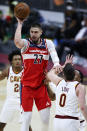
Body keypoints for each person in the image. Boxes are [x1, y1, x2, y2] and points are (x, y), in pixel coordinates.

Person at [14, 17, 61, 131]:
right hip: (27, 86)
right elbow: (17, 41)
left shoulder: (47, 43)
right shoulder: (26, 43)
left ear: (41, 33)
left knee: (45, 121)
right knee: (26, 120)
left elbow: (53, 53)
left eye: (36, 32)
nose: (33, 34)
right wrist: (20, 24)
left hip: (41, 85)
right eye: (32, 32)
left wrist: (56, 63)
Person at [46, 63, 87, 131]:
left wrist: (64, 66)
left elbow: (50, 74)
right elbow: (83, 108)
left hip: (57, 121)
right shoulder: (79, 87)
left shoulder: (59, 82)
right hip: (71, 121)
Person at [0, 50, 32, 131]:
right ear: (11, 61)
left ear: (22, 61)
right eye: (15, 59)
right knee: (1, 124)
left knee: (26, 125)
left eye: (19, 59)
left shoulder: (27, 71)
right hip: (10, 101)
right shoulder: (8, 71)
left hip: (22, 102)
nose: (17, 61)